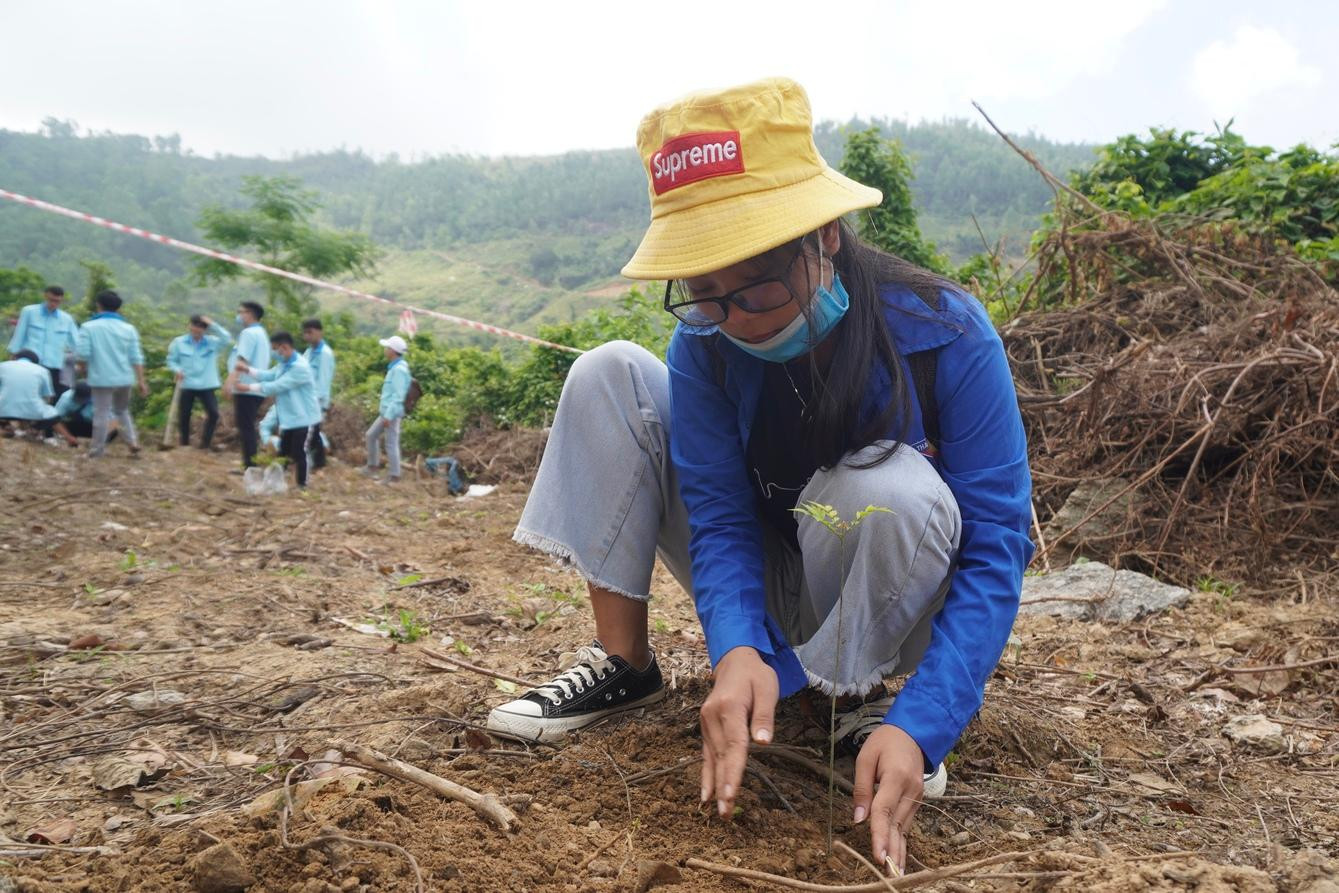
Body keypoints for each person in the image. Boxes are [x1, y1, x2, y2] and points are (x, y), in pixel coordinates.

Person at [486, 79, 1032, 873]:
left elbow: (995, 547)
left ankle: (864, 698)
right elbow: (718, 513)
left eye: (757, 286)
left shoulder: (944, 332)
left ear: (826, 239)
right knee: (609, 372)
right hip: (783, 573)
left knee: (878, 486)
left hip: (892, 586)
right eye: (705, 295)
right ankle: (624, 665)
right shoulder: (704, 347)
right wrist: (736, 645)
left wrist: (925, 721)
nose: (737, 318)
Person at [233, 332, 321, 489]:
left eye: (275, 349)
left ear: (284, 348)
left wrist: (247, 387)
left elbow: (278, 385)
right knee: (284, 450)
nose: (274, 353)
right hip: (289, 417)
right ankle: (277, 479)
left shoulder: (300, 367)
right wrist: (248, 370)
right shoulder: (284, 363)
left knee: (298, 451)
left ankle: (302, 484)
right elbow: (269, 375)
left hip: (304, 417)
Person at [75, 290, 147, 458]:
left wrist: (84, 368)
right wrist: (142, 381)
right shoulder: (129, 329)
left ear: (98, 305)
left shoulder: (89, 327)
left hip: (101, 378)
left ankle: (97, 451)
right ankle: (133, 443)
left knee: (101, 413)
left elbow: (82, 355)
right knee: (122, 410)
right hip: (125, 378)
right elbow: (136, 357)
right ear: (119, 308)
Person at [166, 315, 232, 449]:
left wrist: (213, 324)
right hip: (186, 383)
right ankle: (184, 444)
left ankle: (205, 444)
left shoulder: (212, 342)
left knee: (213, 413)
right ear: (189, 325)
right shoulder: (178, 342)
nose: (197, 329)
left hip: (206, 384)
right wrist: (177, 370)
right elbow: (171, 360)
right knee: (184, 415)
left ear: (205, 329)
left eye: (201, 327)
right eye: (195, 325)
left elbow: (227, 338)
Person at [7, 286, 77, 397]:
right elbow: (19, 335)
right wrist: (13, 355)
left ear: (61, 300)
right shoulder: (29, 312)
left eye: (57, 301)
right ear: (45, 296)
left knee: (49, 396)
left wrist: (81, 361)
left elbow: (76, 343)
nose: (53, 304)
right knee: (27, 393)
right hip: (30, 363)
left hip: (53, 365)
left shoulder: (66, 319)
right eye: (51, 300)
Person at [226, 302, 270, 468]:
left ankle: (250, 466)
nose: (239, 315)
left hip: (246, 388)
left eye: (241, 312)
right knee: (248, 426)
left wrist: (230, 382)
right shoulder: (260, 333)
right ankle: (251, 462)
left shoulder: (249, 333)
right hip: (254, 387)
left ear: (250, 314)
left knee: (246, 428)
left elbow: (242, 359)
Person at [363, 335, 410, 484]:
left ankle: (394, 476)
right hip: (386, 412)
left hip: (391, 413)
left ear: (393, 351)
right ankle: (372, 467)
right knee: (371, 435)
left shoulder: (399, 370)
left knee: (391, 443)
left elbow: (398, 396)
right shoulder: (395, 368)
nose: (385, 350)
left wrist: (389, 416)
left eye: (387, 348)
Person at [0, 349, 59, 441]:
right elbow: (48, 397)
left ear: (14, 358)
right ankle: (35, 429)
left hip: (3, 411)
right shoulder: (42, 371)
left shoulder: (3, 366)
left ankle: (4, 425)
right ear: (35, 362)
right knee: (54, 414)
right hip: (32, 413)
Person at [301, 318, 335, 470]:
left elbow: (324, 381)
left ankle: (317, 462)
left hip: (317, 401)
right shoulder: (309, 352)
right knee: (312, 432)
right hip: (306, 398)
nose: (307, 336)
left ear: (319, 332)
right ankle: (318, 461)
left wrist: (316, 401)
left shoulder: (325, 354)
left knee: (311, 432)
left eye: (310, 332)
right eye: (305, 333)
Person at [52, 382, 102, 446]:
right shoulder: (66, 398)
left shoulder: (101, 398)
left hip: (94, 425)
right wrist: (68, 437)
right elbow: (54, 420)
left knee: (113, 433)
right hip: (74, 425)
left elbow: (112, 420)